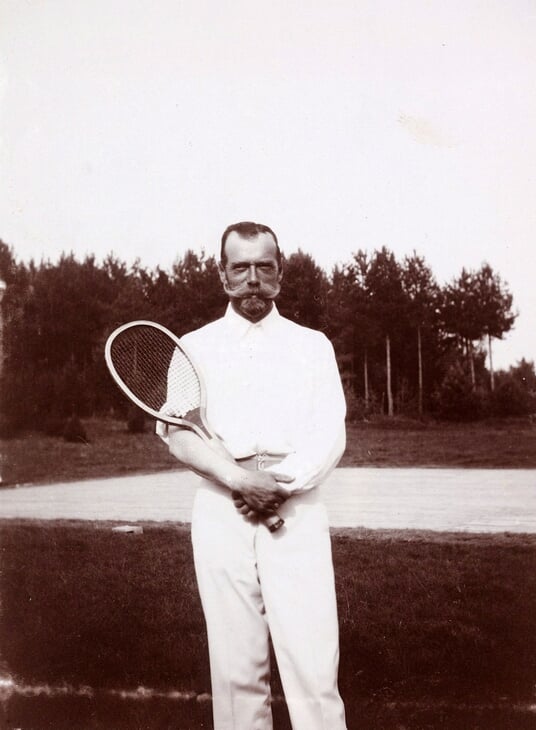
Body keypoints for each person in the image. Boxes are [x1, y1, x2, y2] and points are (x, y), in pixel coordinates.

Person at [158, 221, 348, 730]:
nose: (253, 279)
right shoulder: (194, 346)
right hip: (222, 510)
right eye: (240, 267)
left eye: (264, 266)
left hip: (296, 509)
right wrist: (241, 481)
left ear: (280, 272)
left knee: (313, 667)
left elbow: (330, 432)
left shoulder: (313, 345)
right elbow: (180, 436)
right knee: (235, 670)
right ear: (222, 274)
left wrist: (281, 484)